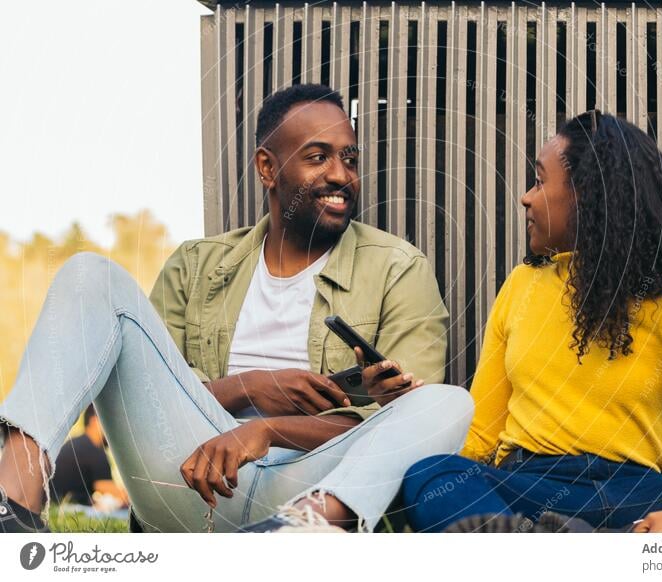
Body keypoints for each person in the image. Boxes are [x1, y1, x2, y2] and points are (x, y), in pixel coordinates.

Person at [0, 84, 473, 533]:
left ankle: (302, 532)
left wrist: (267, 430)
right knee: (87, 273)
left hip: (313, 482)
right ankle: (14, 505)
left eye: (349, 159)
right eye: (317, 157)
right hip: (190, 474)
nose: (340, 175)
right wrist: (251, 390)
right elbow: (153, 393)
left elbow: (398, 432)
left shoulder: (398, 268)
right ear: (268, 168)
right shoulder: (196, 264)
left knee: (446, 402)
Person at [402, 110, 662, 533]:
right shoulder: (522, 285)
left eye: (540, 181)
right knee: (431, 474)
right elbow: (481, 434)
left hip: (637, 499)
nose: (526, 197)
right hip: (526, 489)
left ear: (586, 197)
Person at [50, 404, 128, 508]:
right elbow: (111, 490)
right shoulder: (94, 451)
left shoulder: (74, 443)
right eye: (111, 424)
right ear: (95, 421)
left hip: (54, 504)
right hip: (68, 508)